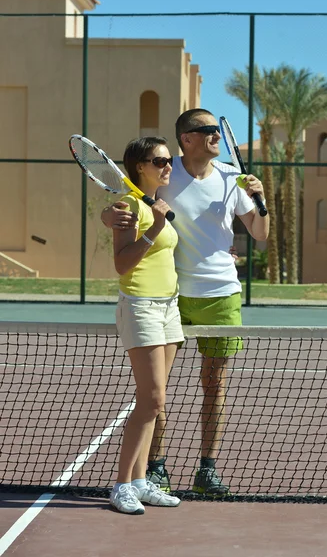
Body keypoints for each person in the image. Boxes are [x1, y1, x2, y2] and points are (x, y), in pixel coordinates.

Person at [102, 109, 269, 496]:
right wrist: (108, 214)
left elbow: (260, 234)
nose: (217, 136)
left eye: (217, 130)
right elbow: (127, 202)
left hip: (222, 295)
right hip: (172, 296)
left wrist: (261, 199)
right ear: (187, 138)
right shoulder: (163, 170)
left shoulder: (232, 177)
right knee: (159, 390)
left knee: (215, 384)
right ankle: (155, 467)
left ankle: (206, 468)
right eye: (208, 130)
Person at [108, 136, 182, 515]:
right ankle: (121, 484)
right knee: (152, 399)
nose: (167, 166)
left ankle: (139, 482)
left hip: (170, 307)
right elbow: (122, 264)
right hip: (141, 306)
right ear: (140, 166)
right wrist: (152, 229)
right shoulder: (128, 207)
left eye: (170, 159)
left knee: (153, 403)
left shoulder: (156, 203)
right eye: (159, 160)